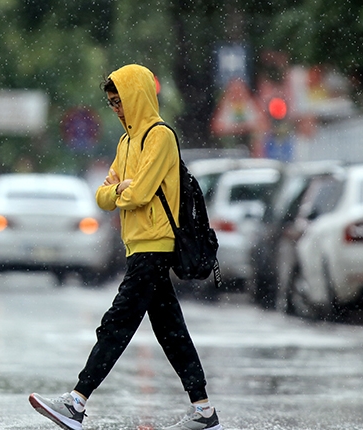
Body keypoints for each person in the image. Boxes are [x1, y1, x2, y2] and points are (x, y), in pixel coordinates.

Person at [29, 64, 222, 430]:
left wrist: (121, 189)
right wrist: (120, 189)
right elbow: (103, 197)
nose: (116, 108)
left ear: (137, 97)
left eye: (120, 100)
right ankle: (204, 412)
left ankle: (76, 402)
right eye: (111, 103)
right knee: (171, 331)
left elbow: (142, 191)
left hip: (156, 245)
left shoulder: (160, 137)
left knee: (116, 323)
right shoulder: (125, 143)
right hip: (136, 245)